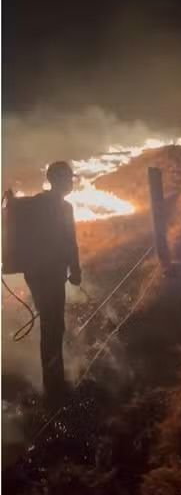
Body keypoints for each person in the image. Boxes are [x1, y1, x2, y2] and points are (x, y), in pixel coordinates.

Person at [23, 161, 81, 408]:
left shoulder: (34, 203)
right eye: (69, 178)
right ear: (61, 180)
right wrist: (75, 270)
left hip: (35, 274)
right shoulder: (64, 207)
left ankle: (53, 382)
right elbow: (70, 242)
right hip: (51, 274)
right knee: (53, 326)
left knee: (51, 324)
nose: (71, 182)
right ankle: (54, 387)